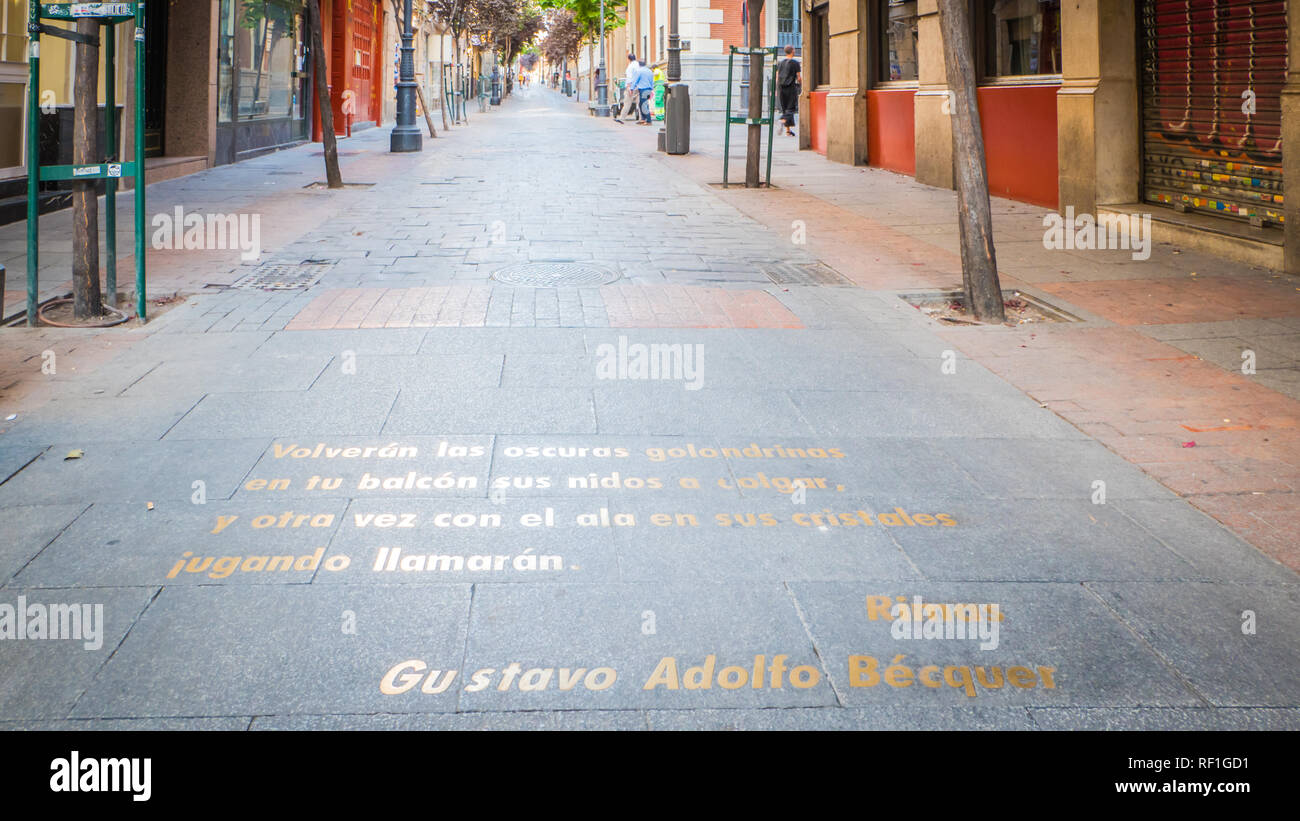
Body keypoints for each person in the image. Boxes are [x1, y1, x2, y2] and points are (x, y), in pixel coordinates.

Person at [776, 45, 801, 136]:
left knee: (785, 109)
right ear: (792, 51)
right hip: (791, 88)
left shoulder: (780, 63)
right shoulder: (795, 63)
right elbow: (798, 78)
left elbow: (777, 77)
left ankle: (788, 131)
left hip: (781, 88)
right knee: (791, 108)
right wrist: (801, 84)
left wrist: (776, 89)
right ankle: (782, 120)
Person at [615, 54, 640, 123]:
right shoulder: (638, 65)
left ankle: (622, 118)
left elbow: (629, 78)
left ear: (629, 59)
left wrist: (629, 87)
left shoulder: (630, 67)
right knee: (640, 103)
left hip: (632, 87)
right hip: (639, 86)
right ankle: (642, 118)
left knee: (627, 102)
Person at [634, 59, 655, 125]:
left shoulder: (639, 71)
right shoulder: (649, 71)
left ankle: (648, 120)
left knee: (643, 104)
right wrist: (652, 88)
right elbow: (652, 81)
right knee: (641, 104)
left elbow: (636, 80)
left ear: (639, 64)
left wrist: (632, 88)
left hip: (643, 89)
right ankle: (643, 119)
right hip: (648, 89)